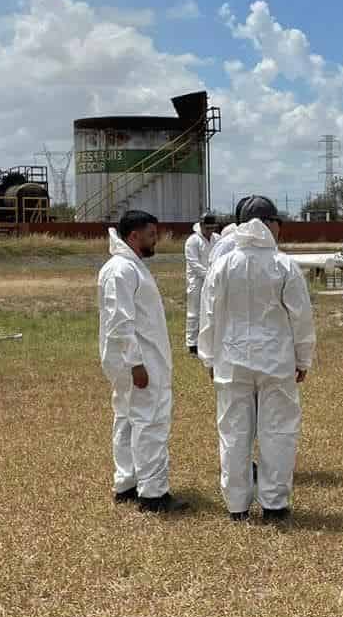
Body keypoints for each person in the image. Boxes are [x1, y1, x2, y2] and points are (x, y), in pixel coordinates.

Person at [197, 196, 316, 522]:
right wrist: (302, 358)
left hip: (231, 360)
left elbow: (210, 315)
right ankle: (274, 504)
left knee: (234, 432)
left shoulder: (222, 264)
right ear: (270, 223)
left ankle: (237, 505)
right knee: (277, 431)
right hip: (276, 361)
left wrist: (208, 357)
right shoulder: (282, 264)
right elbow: (300, 318)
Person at [98, 209, 187, 513]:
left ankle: (128, 483)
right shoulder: (122, 270)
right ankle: (153, 493)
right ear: (134, 236)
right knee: (149, 422)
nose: (155, 240)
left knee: (127, 419)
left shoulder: (127, 268)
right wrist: (136, 364)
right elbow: (119, 322)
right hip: (140, 362)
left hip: (135, 360)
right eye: (151, 235)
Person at [183, 212, 219, 355]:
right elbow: (193, 263)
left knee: (211, 310)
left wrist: (215, 276)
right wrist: (209, 275)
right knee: (194, 312)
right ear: (201, 225)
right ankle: (192, 344)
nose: (210, 231)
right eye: (207, 228)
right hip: (196, 281)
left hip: (213, 280)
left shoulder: (217, 239)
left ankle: (208, 342)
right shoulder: (192, 241)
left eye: (212, 228)